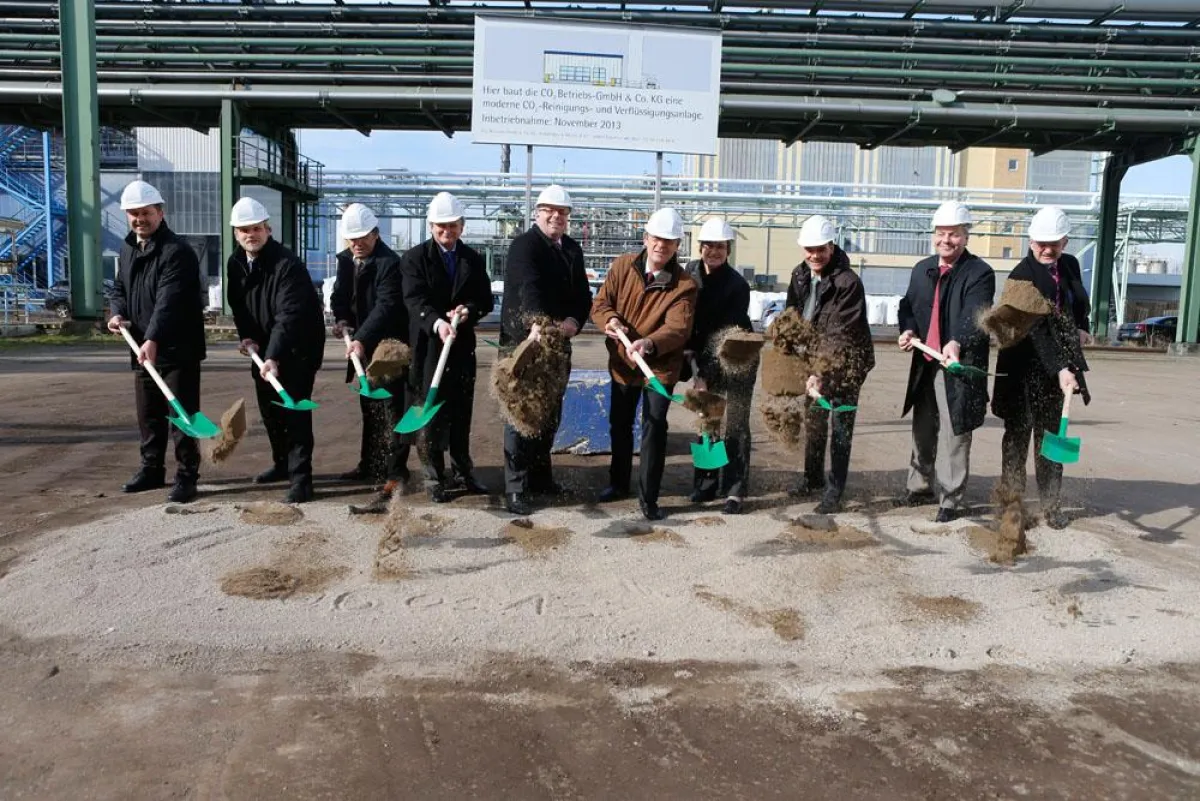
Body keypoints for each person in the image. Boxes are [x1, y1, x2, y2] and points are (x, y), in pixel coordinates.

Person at [591, 207, 698, 521]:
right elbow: (601, 303)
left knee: (654, 427)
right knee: (620, 424)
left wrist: (649, 343)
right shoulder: (623, 266)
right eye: (656, 238)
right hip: (623, 362)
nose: (661, 246)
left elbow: (678, 328)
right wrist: (610, 320)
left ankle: (648, 497)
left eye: (669, 241)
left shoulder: (684, 285)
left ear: (677, 245)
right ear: (645, 238)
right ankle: (618, 483)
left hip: (659, 366)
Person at [107, 179, 207, 503]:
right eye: (133, 214)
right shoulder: (127, 248)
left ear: (160, 212)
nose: (140, 219)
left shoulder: (177, 252)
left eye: (145, 213)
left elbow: (170, 300)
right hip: (141, 348)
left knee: (182, 413)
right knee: (148, 415)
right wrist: (117, 314)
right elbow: (119, 288)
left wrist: (153, 338)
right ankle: (151, 470)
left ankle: (187, 476)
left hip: (177, 349)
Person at [993, 206, 1092, 530]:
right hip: (1023, 370)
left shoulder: (1071, 265)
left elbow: (1077, 304)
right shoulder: (1021, 276)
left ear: (1065, 241)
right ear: (1031, 241)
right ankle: (1011, 507)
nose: (1047, 250)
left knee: (1051, 439)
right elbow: (1035, 330)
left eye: (1055, 243)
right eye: (1041, 244)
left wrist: (1081, 326)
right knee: (1017, 440)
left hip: (1056, 372)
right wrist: (1060, 368)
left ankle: (1051, 505)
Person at [898, 201, 995, 522]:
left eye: (954, 234)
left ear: (966, 237)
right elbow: (908, 305)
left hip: (957, 364)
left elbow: (975, 313)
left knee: (955, 430)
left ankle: (950, 498)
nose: (946, 240)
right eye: (941, 234)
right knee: (923, 427)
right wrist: (908, 328)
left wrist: (957, 341)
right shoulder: (922, 269)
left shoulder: (979, 273)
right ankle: (919, 485)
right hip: (925, 361)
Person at [499, 184, 594, 516]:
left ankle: (541, 479)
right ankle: (515, 488)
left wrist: (573, 320)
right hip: (525, 343)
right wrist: (536, 323)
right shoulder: (524, 246)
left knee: (550, 413)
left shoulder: (571, 249)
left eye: (563, 212)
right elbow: (529, 287)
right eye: (549, 211)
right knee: (520, 414)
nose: (556, 216)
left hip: (556, 346)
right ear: (537, 213)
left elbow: (582, 295)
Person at [225, 197, 327, 503]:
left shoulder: (287, 264)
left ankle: (301, 480)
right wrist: (248, 338)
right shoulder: (236, 263)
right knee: (271, 412)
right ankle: (281, 465)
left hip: (297, 348)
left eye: (256, 228)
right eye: (244, 230)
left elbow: (289, 315)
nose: (250, 235)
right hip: (265, 350)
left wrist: (273, 355)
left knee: (293, 414)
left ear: (267, 229)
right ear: (236, 233)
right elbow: (240, 307)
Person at [400, 191, 494, 503]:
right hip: (428, 349)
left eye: (452, 226)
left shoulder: (472, 259)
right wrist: (437, 322)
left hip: (462, 348)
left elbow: (484, 299)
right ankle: (433, 476)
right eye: (441, 226)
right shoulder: (414, 258)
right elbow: (414, 300)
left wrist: (468, 310)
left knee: (461, 413)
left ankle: (463, 469)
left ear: (461, 226)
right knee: (429, 412)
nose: (446, 232)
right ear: (431, 226)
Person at [784, 215, 875, 514]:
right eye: (809, 249)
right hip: (814, 361)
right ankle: (811, 479)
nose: (814, 255)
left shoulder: (848, 283)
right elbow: (793, 314)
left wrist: (821, 372)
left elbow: (840, 334)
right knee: (815, 423)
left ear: (831, 246)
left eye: (820, 249)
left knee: (840, 426)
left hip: (847, 362)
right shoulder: (800, 275)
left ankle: (834, 491)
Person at [330, 202, 412, 501]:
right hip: (361, 348)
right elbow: (340, 295)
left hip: (386, 351)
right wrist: (340, 318)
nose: (357, 243)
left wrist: (362, 338)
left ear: (376, 234)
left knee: (392, 411)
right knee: (369, 410)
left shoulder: (390, 264)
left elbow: (386, 306)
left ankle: (395, 473)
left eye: (363, 237)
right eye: (352, 238)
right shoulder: (346, 260)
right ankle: (369, 465)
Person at [683, 217, 756, 515]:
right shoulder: (689, 274)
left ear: (728, 250)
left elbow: (724, 339)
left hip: (737, 357)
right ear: (700, 247)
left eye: (720, 246)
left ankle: (735, 489)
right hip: (704, 356)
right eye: (708, 245)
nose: (713, 251)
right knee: (707, 420)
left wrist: (705, 377)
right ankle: (706, 484)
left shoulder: (737, 286)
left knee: (735, 423)